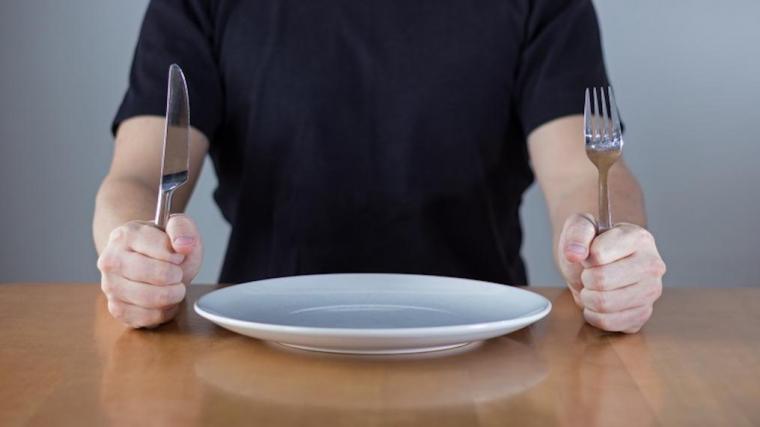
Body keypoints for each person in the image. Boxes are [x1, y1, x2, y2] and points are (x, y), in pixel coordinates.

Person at [94, 0, 666, 332]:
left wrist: (612, 250)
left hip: (484, 346)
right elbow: (141, 177)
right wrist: (134, 252)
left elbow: (583, 172)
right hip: (258, 337)